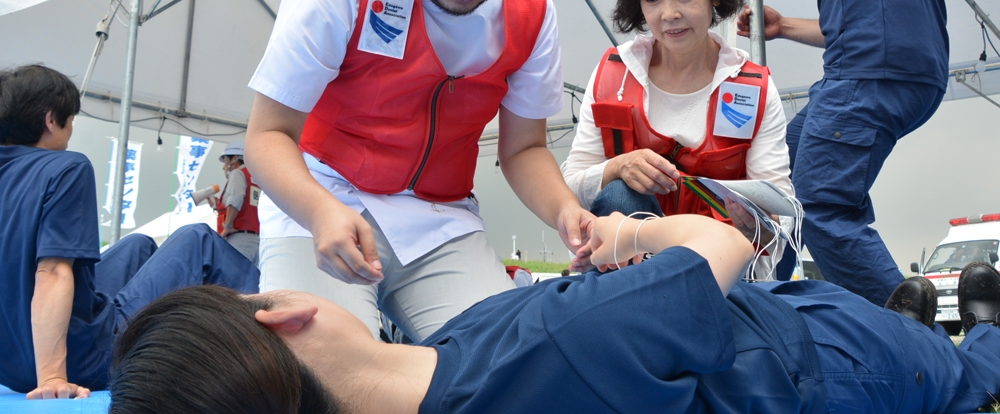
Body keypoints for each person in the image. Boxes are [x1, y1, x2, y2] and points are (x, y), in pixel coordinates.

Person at [244, 0, 594, 341]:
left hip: (440, 216)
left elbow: (524, 149)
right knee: (330, 369)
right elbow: (267, 136)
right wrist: (319, 211)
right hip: (319, 197)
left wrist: (566, 210)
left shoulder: (534, 15)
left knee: (504, 362)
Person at [107, 214, 1000, 414]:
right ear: (284, 319)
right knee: (970, 371)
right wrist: (624, 234)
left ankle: (917, 318)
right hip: (825, 359)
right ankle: (969, 328)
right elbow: (724, 242)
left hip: (779, 344)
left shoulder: (448, 362)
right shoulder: (558, 339)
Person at [737, 0, 949, 305]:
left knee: (819, 203)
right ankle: (764, 306)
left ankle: (913, 340)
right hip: (910, 75)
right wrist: (782, 26)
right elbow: (862, 27)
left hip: (868, 73)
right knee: (781, 183)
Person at [0, 64, 260, 399]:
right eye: (70, 119)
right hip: (80, 360)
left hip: (10, 367)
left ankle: (173, 326)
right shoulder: (64, 167)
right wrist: (51, 378)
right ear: (51, 120)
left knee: (138, 244)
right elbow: (51, 271)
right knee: (198, 240)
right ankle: (288, 321)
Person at [562, 0, 793, 267]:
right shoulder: (614, 76)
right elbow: (570, 188)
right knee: (619, 195)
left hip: (719, 267)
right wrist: (618, 167)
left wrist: (759, 224)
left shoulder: (753, 88)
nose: (669, 14)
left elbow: (782, 211)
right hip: (631, 267)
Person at [214, 143, 260, 266]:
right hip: (256, 240)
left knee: (231, 281)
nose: (224, 167)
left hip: (238, 237)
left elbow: (235, 200)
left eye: (225, 161)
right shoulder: (257, 177)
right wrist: (217, 206)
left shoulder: (238, 174)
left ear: (234, 158)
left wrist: (227, 226)